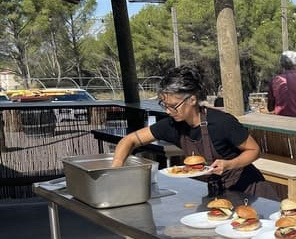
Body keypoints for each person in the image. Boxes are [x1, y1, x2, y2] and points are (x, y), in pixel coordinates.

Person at [111, 65, 274, 196]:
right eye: (164, 106)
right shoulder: (172, 125)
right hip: (219, 194)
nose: (168, 111)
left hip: (252, 193)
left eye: (173, 106)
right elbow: (129, 140)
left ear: (192, 99)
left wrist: (230, 164)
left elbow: (254, 150)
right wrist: (116, 169)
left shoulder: (221, 122)